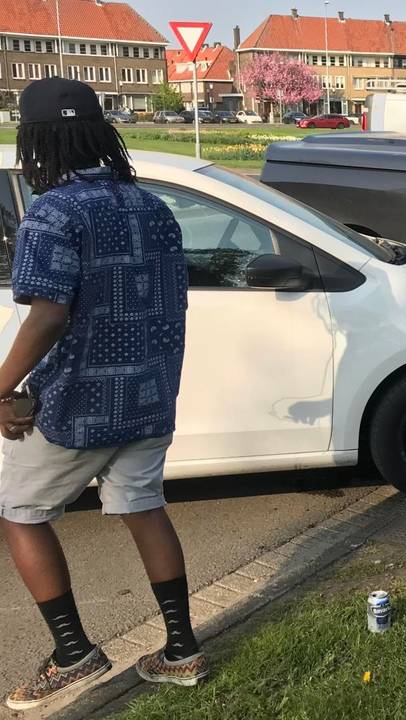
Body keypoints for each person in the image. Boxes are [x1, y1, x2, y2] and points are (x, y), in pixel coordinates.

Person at [0, 78, 204, 711]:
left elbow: (49, 315)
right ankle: (181, 650)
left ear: (36, 143)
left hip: (79, 407)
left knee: (19, 512)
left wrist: (3, 388)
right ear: (100, 132)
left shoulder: (53, 212)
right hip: (149, 397)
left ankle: (72, 654)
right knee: (144, 506)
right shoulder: (152, 207)